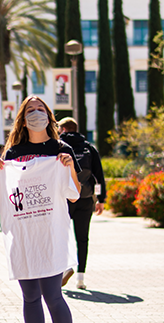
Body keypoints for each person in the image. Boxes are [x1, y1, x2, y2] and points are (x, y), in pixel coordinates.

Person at [0, 95, 81, 323]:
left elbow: (75, 195)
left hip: (51, 233)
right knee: (30, 297)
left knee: (53, 296)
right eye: (30, 110)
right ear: (23, 120)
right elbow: (1, 196)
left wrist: (68, 167)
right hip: (23, 235)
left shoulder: (61, 150)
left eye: (40, 109)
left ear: (49, 117)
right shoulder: (13, 153)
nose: (36, 113)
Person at [58, 117, 107, 289]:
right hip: (86, 198)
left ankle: (64, 268)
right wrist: (101, 200)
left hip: (64, 199)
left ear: (63, 129)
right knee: (83, 238)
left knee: (61, 235)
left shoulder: (59, 147)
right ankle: (80, 278)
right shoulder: (89, 148)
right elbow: (99, 175)